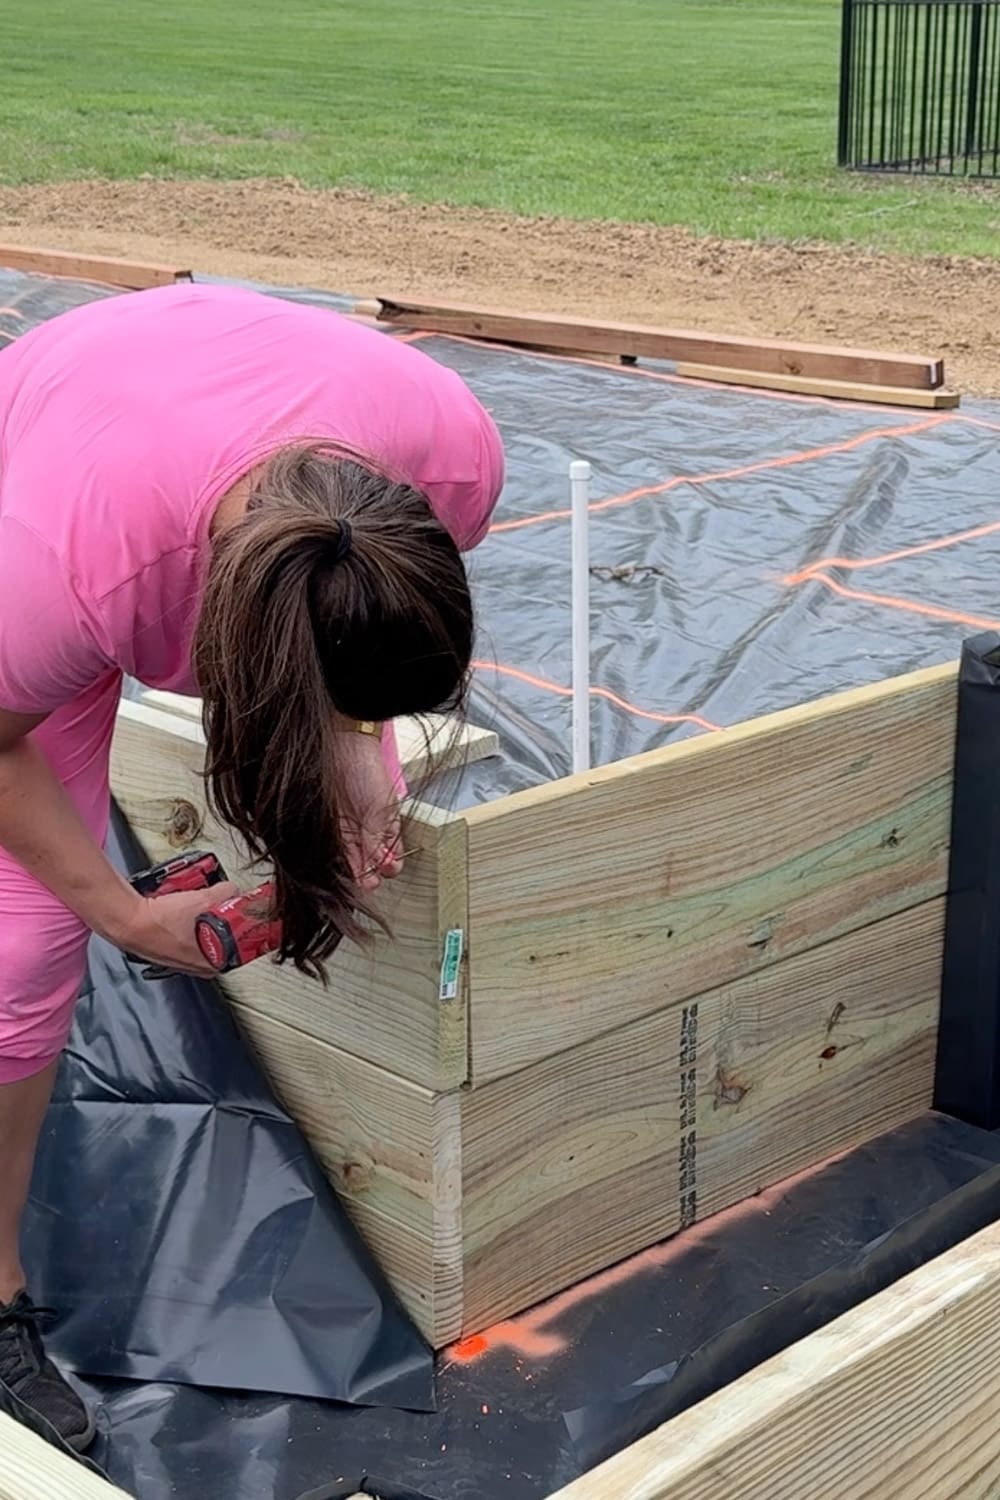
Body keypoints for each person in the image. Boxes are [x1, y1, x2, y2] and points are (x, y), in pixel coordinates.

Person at [0, 281, 504, 1449]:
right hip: (57, 437)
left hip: (190, 405)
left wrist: (364, 751)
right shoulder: (64, 575)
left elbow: (359, 626)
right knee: (24, 944)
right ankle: (1, 1290)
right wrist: (122, 915)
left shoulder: (458, 459)